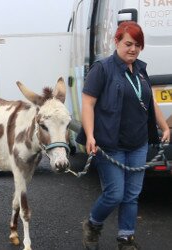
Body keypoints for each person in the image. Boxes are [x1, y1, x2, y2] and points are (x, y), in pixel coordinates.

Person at [76, 21, 170, 250]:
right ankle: (92, 224)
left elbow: (150, 101)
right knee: (115, 194)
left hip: (137, 143)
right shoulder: (102, 69)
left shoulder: (140, 69)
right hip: (109, 144)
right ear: (116, 41)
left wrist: (164, 127)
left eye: (138, 45)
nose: (133, 49)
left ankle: (125, 238)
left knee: (132, 194)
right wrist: (90, 135)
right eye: (128, 43)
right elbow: (88, 104)